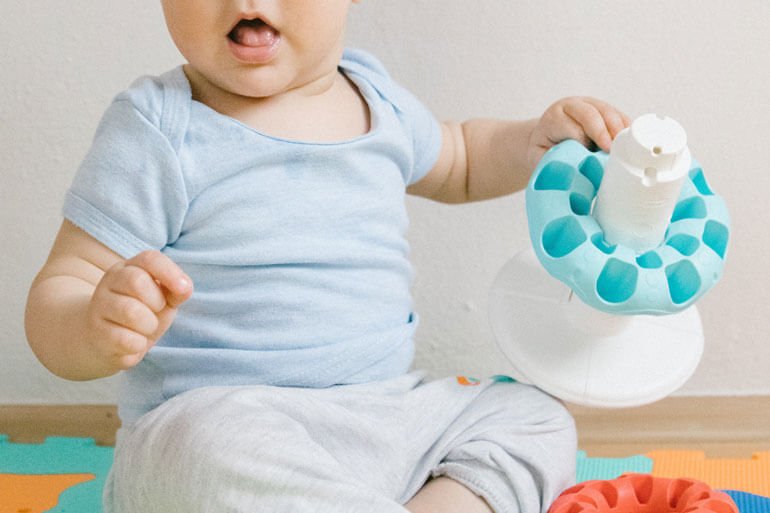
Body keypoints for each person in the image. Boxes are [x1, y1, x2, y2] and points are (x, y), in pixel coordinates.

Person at [24, 1, 630, 512]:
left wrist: (533, 143)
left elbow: (462, 160)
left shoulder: (376, 98)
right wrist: (94, 326)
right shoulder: (159, 128)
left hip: (384, 415)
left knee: (534, 416)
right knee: (197, 449)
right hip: (223, 427)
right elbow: (65, 285)